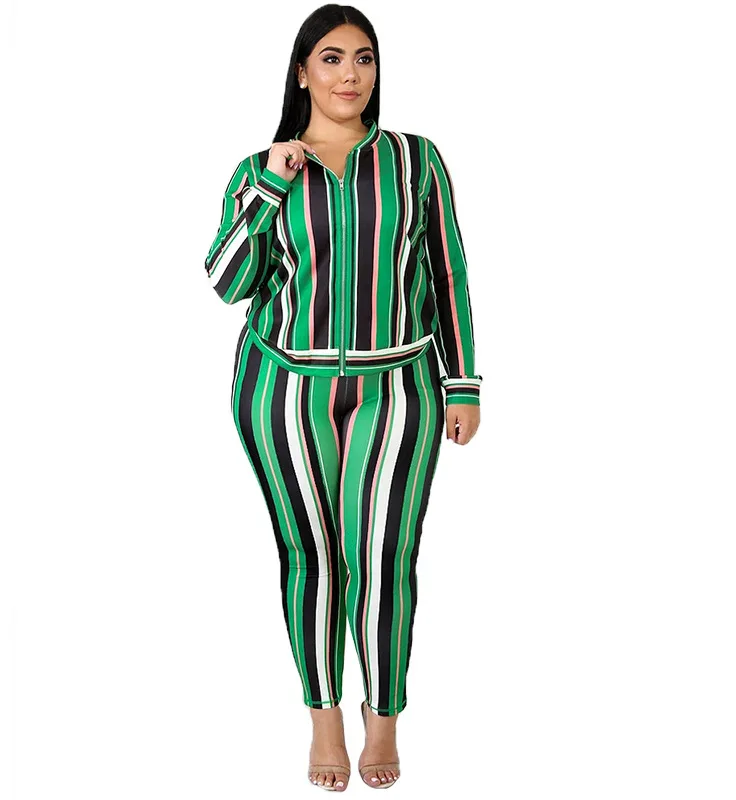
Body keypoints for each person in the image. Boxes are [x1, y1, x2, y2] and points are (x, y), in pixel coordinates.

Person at [204, 4, 483, 791]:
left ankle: (384, 714)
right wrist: (268, 184)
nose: (349, 74)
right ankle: (323, 715)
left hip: (399, 385)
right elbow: (228, 282)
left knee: (385, 554)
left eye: (363, 58)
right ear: (302, 72)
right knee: (312, 555)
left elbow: (448, 272)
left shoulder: (416, 160)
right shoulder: (260, 169)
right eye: (330, 59)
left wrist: (462, 381)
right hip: (283, 386)